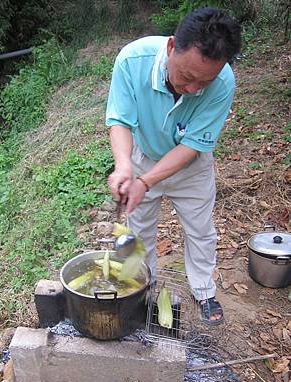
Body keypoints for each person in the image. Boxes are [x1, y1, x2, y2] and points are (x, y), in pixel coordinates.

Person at [106, 7, 241, 325]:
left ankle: (204, 290)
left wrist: (146, 182)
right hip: (143, 156)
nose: (193, 89)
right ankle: (144, 286)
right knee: (139, 232)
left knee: (200, 230)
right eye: (187, 77)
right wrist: (125, 167)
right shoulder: (131, 61)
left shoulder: (222, 82)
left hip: (190, 166)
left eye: (203, 82)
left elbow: (193, 145)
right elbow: (120, 120)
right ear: (171, 47)